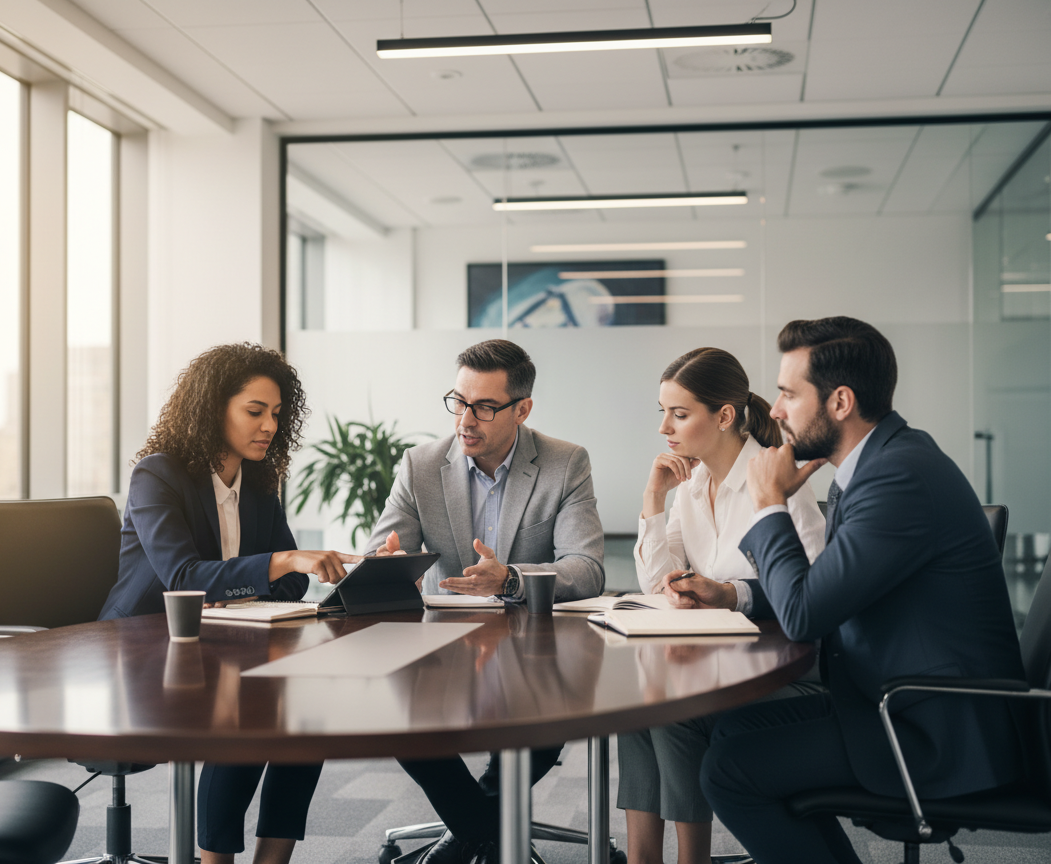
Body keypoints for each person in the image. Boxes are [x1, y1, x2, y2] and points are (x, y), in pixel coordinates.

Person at [667, 318, 1026, 864]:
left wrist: (768, 504)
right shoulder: (879, 465)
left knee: (730, 771)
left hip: (931, 728)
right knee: (733, 730)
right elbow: (824, 590)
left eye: (789, 393)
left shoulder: (897, 478)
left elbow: (807, 614)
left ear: (839, 402)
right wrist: (734, 596)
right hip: (893, 700)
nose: (777, 409)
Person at [100, 343, 362, 864]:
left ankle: (272, 859)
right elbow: (183, 577)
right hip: (145, 648)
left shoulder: (259, 481)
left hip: (221, 643)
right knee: (246, 706)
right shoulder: (158, 475)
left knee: (306, 713)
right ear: (211, 408)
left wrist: (284, 569)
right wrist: (281, 562)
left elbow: (287, 585)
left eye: (277, 414)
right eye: (254, 411)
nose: (269, 425)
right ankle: (213, 859)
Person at [364, 338, 605, 864]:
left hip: (533, 653)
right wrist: (387, 566)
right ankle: (485, 832)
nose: (464, 420)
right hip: (442, 653)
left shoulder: (564, 464)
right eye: (458, 401)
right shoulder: (421, 466)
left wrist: (512, 578)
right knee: (401, 722)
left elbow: (586, 569)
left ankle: (465, 835)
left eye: (484, 407)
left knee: (539, 729)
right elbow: (378, 553)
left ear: (523, 409)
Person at [617, 347, 825, 864]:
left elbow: (815, 592)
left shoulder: (774, 477)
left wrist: (730, 592)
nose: (665, 426)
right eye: (662, 412)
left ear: (725, 416)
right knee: (635, 707)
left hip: (784, 665)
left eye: (679, 414)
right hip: (715, 656)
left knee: (670, 708)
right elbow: (656, 582)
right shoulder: (691, 486)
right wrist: (653, 499)